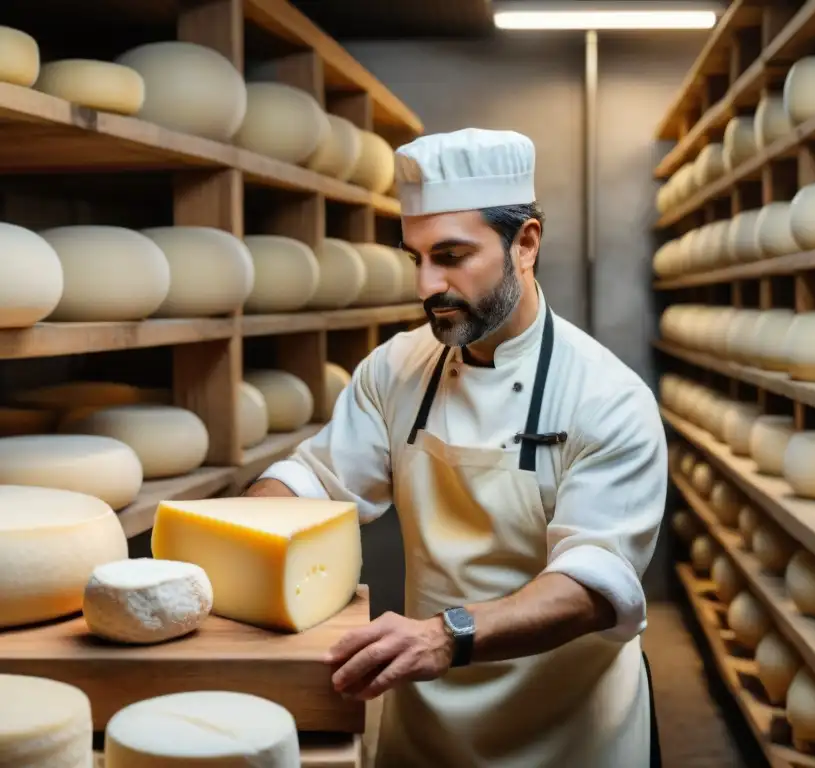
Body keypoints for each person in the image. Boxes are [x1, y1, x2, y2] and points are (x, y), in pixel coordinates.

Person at [245, 127, 667, 767]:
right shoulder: (396, 369)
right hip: (429, 718)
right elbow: (317, 484)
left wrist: (449, 636)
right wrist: (229, 536)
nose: (426, 284)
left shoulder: (608, 397)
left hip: (569, 730)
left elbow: (592, 584)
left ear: (525, 244)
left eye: (450, 255)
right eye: (415, 257)